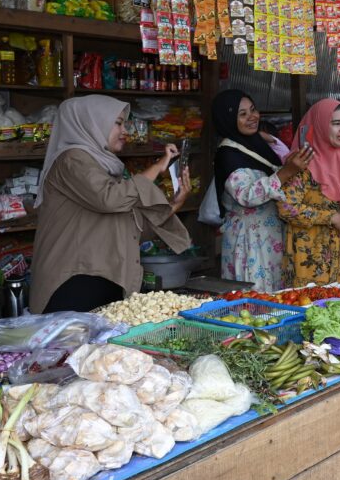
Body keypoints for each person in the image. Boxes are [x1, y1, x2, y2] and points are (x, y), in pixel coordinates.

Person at [31, 95, 191, 313]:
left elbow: (129, 227)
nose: (125, 131)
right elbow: (110, 199)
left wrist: (174, 204)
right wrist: (156, 167)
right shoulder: (71, 160)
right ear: (91, 123)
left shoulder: (105, 167)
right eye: (117, 123)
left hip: (104, 279)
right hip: (73, 283)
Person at [211, 90, 313, 292]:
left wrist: (273, 143)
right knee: (256, 301)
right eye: (243, 114)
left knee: (278, 296)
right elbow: (247, 195)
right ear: (228, 119)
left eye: (253, 110)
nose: (252, 117)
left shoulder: (259, 144)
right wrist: (287, 172)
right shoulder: (228, 153)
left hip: (272, 235)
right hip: (250, 240)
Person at [278, 98, 340, 286]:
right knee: (313, 309)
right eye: (335, 124)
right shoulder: (302, 162)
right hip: (311, 259)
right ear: (320, 126)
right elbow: (286, 207)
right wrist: (331, 217)